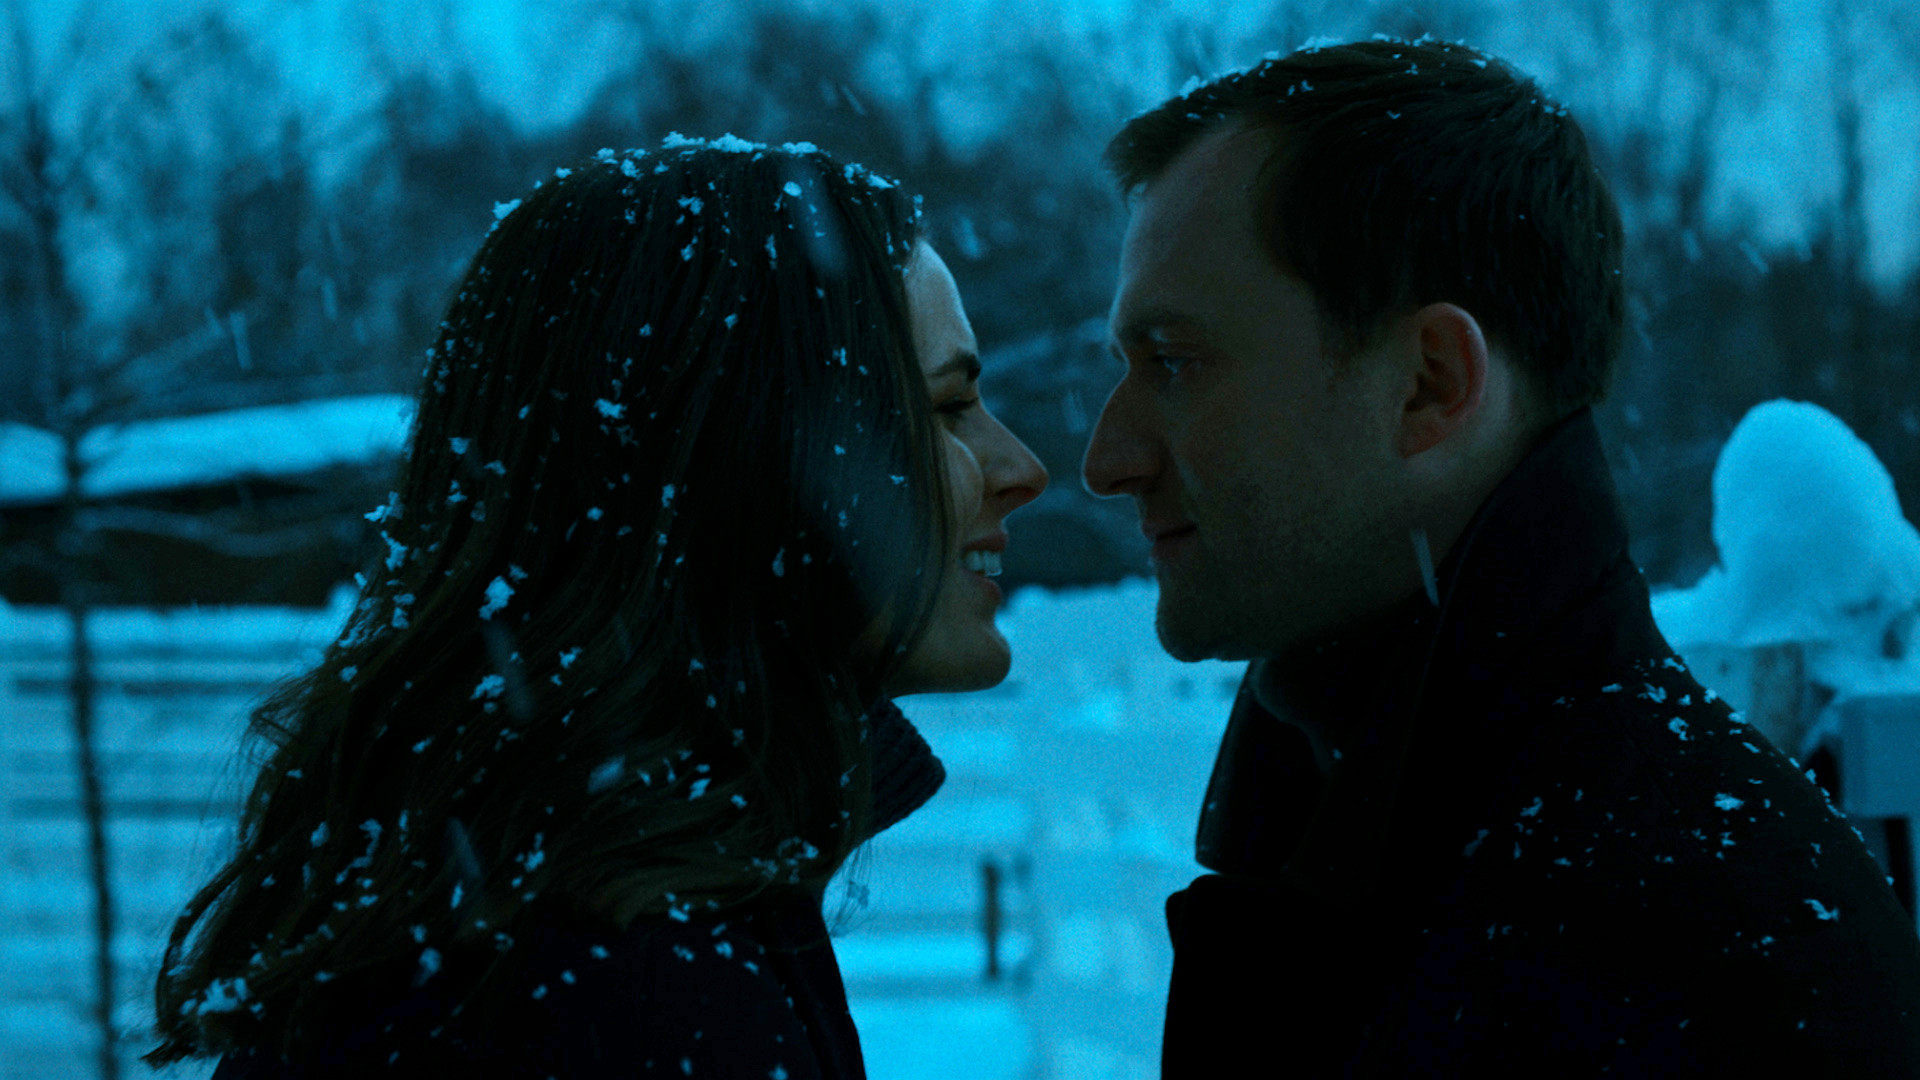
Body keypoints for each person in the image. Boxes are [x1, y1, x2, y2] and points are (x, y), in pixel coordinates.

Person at [1082, 39, 1920, 1075]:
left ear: (1430, 384)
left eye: (1173, 362)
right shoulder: (1400, 834)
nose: (1106, 460)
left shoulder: (1710, 945)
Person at [145, 136, 1047, 1077]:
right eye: (949, 407)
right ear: (758, 459)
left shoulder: (535, 908)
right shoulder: (628, 992)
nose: (1023, 469)